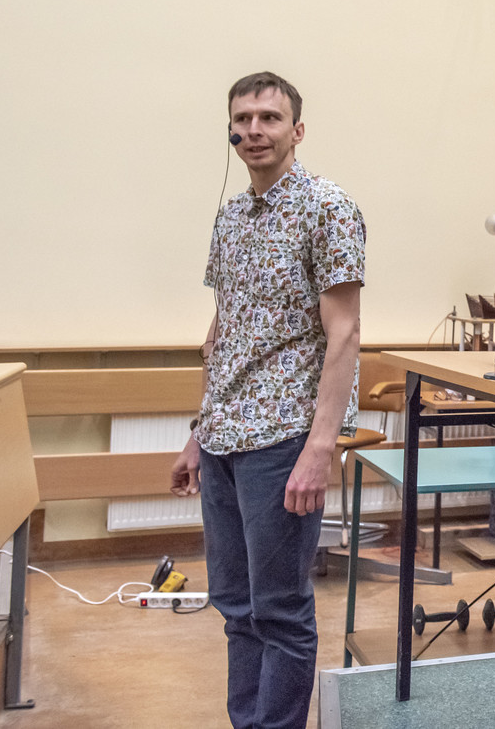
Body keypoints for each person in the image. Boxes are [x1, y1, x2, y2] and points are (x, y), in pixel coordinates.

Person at [170, 71, 365, 729]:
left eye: (269, 118)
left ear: (296, 130)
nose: (254, 130)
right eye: (243, 119)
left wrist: (320, 447)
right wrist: (199, 431)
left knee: (278, 610)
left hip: (283, 438)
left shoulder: (326, 207)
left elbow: (345, 333)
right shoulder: (229, 217)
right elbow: (224, 329)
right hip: (224, 437)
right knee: (234, 605)